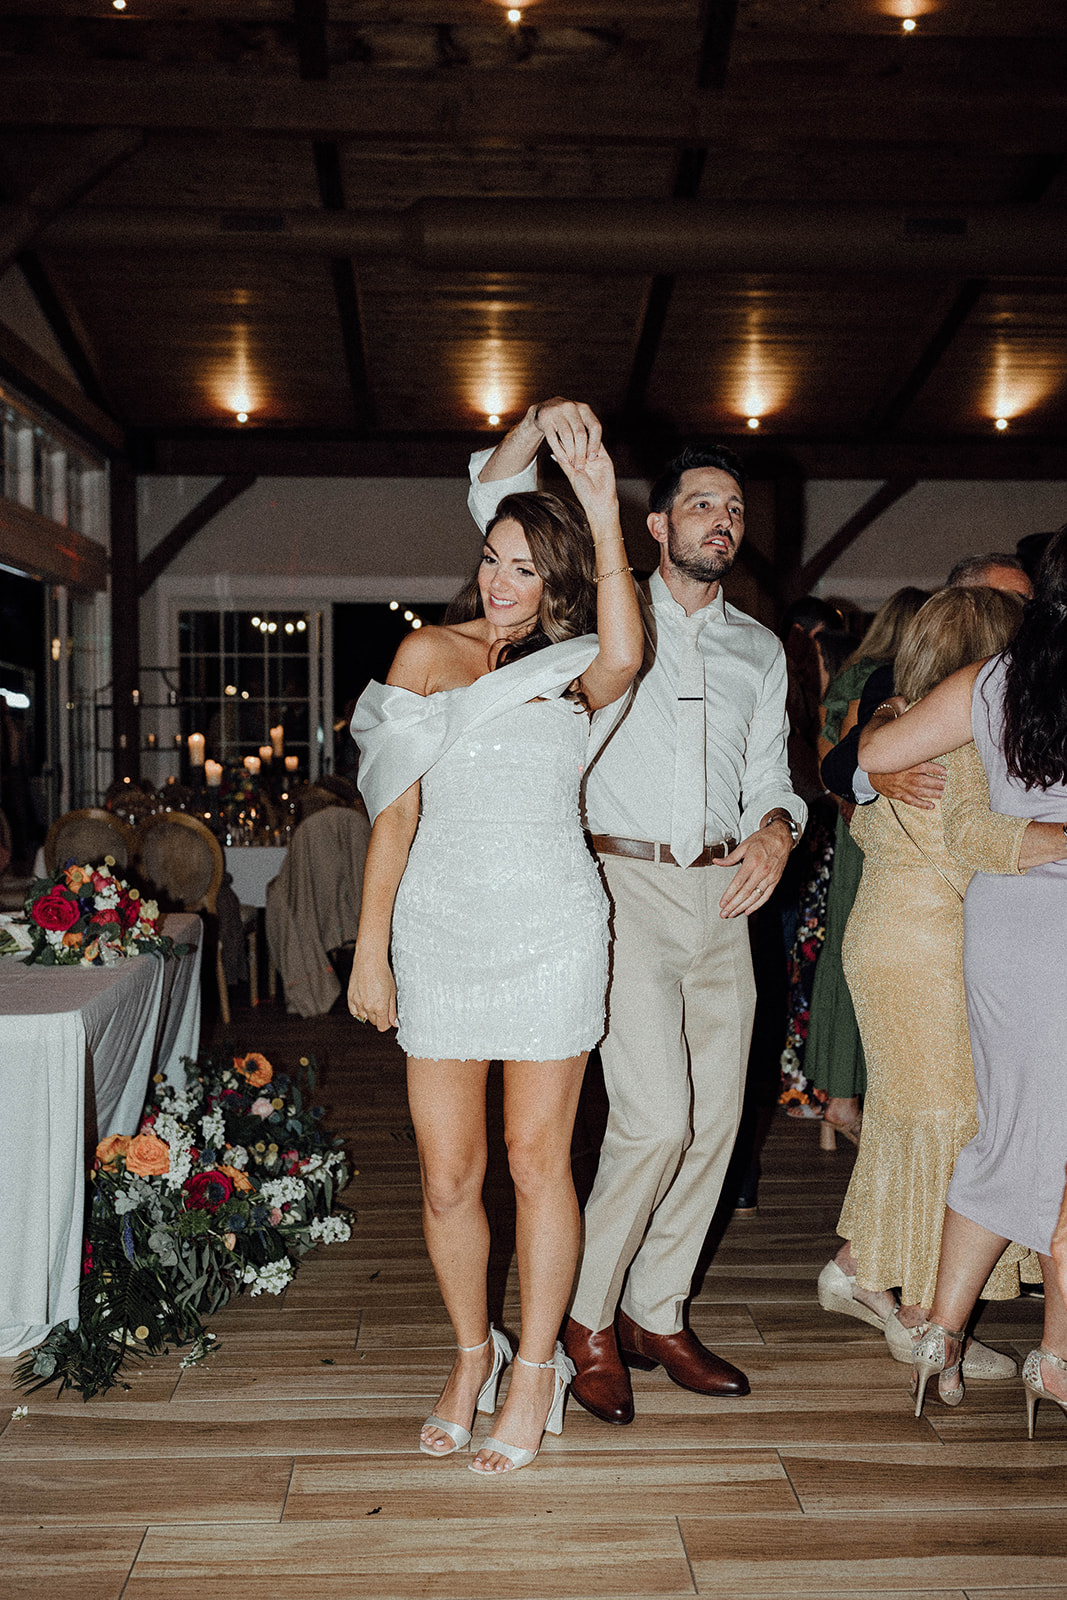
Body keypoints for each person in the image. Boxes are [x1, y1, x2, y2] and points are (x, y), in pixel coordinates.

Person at [468, 398, 806, 1425]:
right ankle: (583, 1318)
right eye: (700, 504)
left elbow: (770, 775)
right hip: (621, 887)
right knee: (653, 1119)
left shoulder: (761, 649)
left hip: (726, 894)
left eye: (732, 508)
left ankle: (657, 1312)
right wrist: (538, 426)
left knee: (715, 1124)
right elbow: (494, 497)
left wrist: (776, 829)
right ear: (655, 524)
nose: (721, 520)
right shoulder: (598, 613)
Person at [347, 426, 643, 1473]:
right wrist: (370, 951)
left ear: (559, 577)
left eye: (524, 567)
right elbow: (394, 812)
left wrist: (602, 508)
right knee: (446, 1176)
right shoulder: (425, 654)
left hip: (552, 927)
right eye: (490, 558)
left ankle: (535, 1371)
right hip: (440, 929)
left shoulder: (582, 668)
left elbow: (626, 649)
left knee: (535, 1160)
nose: (500, 581)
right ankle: (474, 1354)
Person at [858, 528, 1067, 1431]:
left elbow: (874, 753)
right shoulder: (1000, 679)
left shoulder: (997, 680)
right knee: (1034, 1142)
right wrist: (879, 742)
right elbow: (871, 758)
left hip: (1007, 925)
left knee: (1009, 1135)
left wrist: (880, 736)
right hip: (1026, 927)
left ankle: (939, 1332)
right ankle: (1052, 1359)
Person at [820, 587, 1045, 1377]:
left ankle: (858, 1267)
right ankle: (922, 1316)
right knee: (947, 1124)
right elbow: (975, 844)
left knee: (911, 1118)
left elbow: (854, 804)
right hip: (929, 944)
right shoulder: (961, 738)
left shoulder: (898, 725)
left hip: (889, 933)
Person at [806, 588, 929, 1147]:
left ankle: (841, 1095)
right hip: (873, 821)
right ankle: (849, 1097)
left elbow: (826, 757)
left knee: (844, 952)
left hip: (850, 817)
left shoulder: (849, 675)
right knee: (862, 956)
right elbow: (853, 756)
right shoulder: (887, 679)